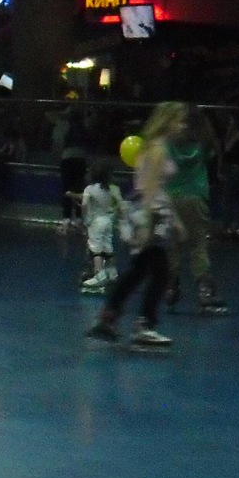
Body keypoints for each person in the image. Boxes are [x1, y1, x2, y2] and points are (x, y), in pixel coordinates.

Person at [86, 106, 178, 352]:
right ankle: (144, 325)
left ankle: (109, 317)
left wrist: (174, 218)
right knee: (159, 271)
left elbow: (156, 187)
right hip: (151, 215)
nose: (182, 127)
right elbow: (149, 188)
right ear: (168, 121)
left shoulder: (155, 147)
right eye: (179, 121)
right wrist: (148, 224)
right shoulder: (157, 149)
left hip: (152, 213)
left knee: (139, 271)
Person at [163, 106, 227, 316]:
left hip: (172, 196)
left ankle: (171, 287)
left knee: (172, 245)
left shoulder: (168, 143)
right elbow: (213, 155)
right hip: (196, 195)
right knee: (198, 245)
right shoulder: (202, 144)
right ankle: (205, 292)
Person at [79, 159, 123, 293]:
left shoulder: (90, 189)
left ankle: (99, 275)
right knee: (108, 246)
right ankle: (112, 273)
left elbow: (84, 205)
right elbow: (120, 204)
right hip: (108, 220)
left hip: (95, 222)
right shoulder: (113, 189)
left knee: (96, 248)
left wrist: (85, 219)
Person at [58, 110, 88, 228]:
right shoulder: (83, 128)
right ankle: (79, 217)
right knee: (79, 187)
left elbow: (58, 143)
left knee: (66, 188)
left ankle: (66, 217)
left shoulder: (64, 127)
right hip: (81, 158)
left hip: (66, 158)